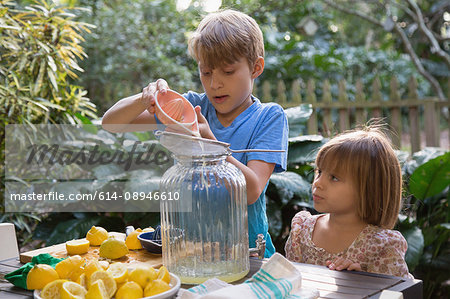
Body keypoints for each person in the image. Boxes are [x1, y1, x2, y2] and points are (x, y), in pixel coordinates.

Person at [102, 9, 288, 257]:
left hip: (246, 256)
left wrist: (211, 144)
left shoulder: (269, 117)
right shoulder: (188, 107)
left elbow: (251, 191)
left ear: (256, 68)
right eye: (206, 72)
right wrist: (145, 97)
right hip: (189, 255)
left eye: (228, 72)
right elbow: (112, 123)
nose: (215, 84)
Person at [285, 125, 413, 278]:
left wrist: (364, 282)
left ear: (369, 189)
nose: (317, 183)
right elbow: (290, 286)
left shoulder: (383, 246)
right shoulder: (302, 230)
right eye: (319, 171)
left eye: (334, 177)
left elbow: (398, 293)